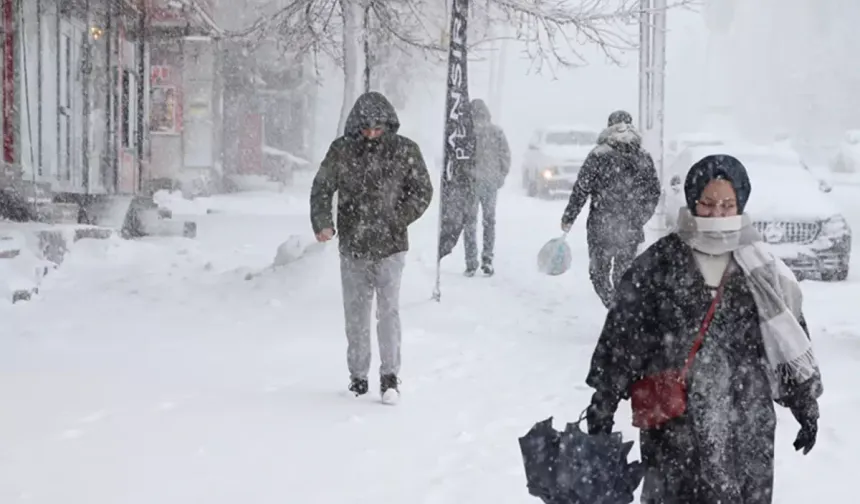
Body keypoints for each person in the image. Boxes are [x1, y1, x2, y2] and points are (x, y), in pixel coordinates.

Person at [584, 154, 823, 503]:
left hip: (745, 419)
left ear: (740, 204)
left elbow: (787, 339)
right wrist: (603, 401)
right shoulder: (659, 263)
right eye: (708, 204)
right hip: (675, 423)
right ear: (693, 202)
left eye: (727, 205)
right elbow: (624, 336)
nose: (717, 214)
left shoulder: (762, 267)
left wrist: (805, 405)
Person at [310, 91, 433, 403]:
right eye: (366, 128)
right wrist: (322, 222)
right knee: (356, 313)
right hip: (353, 246)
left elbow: (422, 190)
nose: (371, 134)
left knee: (388, 311)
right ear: (356, 125)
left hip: (392, 247)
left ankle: (390, 375)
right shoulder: (341, 151)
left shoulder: (405, 150)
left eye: (378, 128)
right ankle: (358, 376)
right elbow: (322, 187)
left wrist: (399, 217)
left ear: (388, 125)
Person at [560, 110, 661, 307]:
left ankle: (613, 307)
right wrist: (640, 217)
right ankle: (622, 313)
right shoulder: (643, 156)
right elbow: (654, 192)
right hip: (630, 227)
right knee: (623, 275)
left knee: (599, 274)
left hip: (601, 226)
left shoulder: (598, 155)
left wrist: (569, 217)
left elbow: (581, 189)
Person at [463, 99, 511, 277]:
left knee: (470, 222)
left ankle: (470, 262)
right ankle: (488, 258)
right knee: (489, 222)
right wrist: (501, 175)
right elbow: (505, 155)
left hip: (472, 182)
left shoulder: (467, 133)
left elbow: (461, 159)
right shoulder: (496, 132)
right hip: (490, 181)